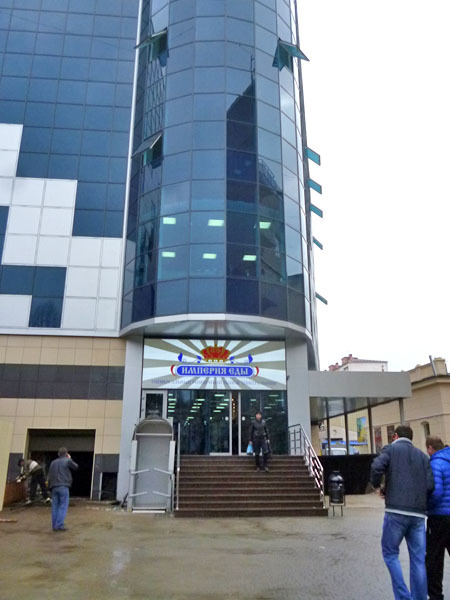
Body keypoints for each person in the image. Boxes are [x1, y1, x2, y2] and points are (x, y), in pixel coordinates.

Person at [370, 424, 434, 600]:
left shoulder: (390, 450)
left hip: (396, 511)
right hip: (418, 515)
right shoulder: (422, 456)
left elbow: (376, 467)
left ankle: (403, 596)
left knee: (390, 553)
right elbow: (430, 486)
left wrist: (378, 486)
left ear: (395, 436)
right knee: (418, 560)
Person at [425, 435, 450, 600]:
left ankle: (436, 595)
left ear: (430, 448)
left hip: (439, 517)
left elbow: (437, 492)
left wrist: (427, 506)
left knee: (435, 558)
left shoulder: (435, 463)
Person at [47, 448, 78, 532]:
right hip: (63, 486)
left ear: (58, 454)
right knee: (63, 506)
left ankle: (54, 525)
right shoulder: (67, 461)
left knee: (55, 506)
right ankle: (59, 525)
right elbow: (75, 467)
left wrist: (49, 487)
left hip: (54, 486)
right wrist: (70, 458)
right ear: (66, 454)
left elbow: (49, 475)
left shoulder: (53, 462)